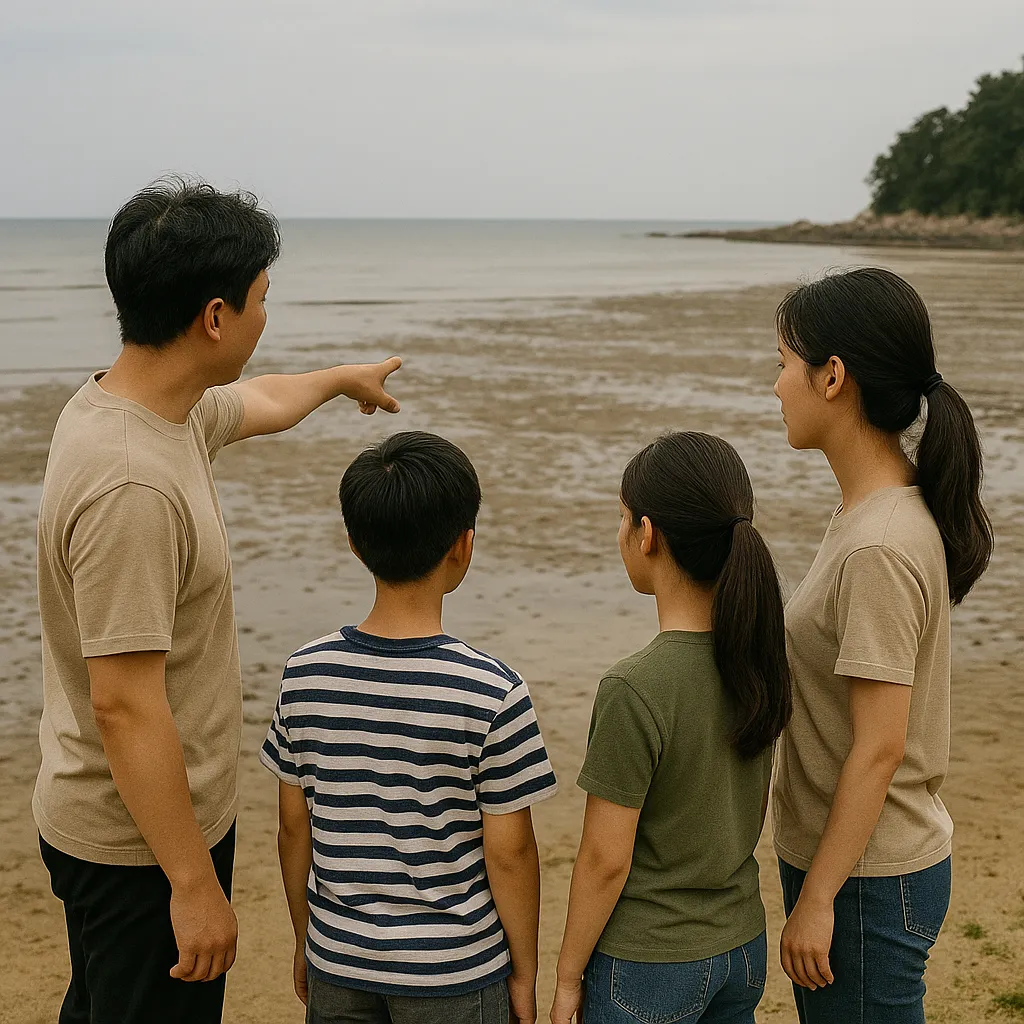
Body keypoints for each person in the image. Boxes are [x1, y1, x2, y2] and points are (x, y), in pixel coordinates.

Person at [34, 178, 404, 1024]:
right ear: (213, 317)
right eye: (261, 300)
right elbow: (124, 704)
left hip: (129, 822)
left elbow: (257, 399)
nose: (266, 316)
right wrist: (193, 886)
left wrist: (340, 377)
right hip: (141, 849)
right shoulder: (132, 484)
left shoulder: (142, 406)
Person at [261, 430, 558, 1024]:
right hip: (455, 970)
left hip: (339, 959)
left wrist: (305, 938)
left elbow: (295, 829)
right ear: (463, 546)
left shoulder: (305, 673)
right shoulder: (493, 691)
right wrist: (523, 971)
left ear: (354, 542)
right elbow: (512, 853)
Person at [771, 268, 993, 1024]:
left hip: (866, 878)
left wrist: (821, 897)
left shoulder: (880, 543)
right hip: (856, 864)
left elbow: (880, 746)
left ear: (832, 377)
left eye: (782, 364)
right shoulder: (873, 512)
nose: (775, 386)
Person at [550, 431, 793, 1024]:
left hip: (648, 961)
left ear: (648, 534)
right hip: (741, 947)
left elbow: (605, 859)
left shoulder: (635, 687)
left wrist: (566, 975)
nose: (620, 534)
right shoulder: (759, 662)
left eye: (623, 519)